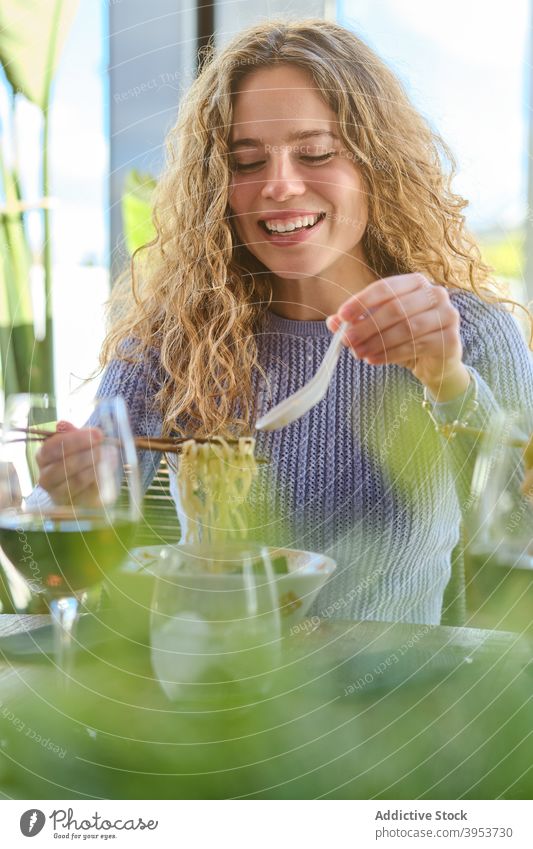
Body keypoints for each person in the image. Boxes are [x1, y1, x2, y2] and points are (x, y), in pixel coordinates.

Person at [36, 19, 533, 625]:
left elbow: (520, 532)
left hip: (397, 706)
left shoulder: (469, 331)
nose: (279, 185)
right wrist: (69, 497)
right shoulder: (175, 339)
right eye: (246, 163)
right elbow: (55, 570)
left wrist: (448, 381)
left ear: (376, 166)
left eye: (315, 153)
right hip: (214, 698)